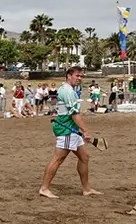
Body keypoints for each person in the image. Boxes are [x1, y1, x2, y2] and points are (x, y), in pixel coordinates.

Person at [37, 67, 101, 199]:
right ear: (68, 76)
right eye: (77, 76)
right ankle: (44, 188)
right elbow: (74, 115)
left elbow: (63, 110)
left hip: (70, 128)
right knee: (58, 159)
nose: (80, 78)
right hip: (66, 129)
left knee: (84, 157)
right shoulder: (68, 91)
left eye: (81, 76)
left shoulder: (65, 89)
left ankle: (87, 189)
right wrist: (86, 131)